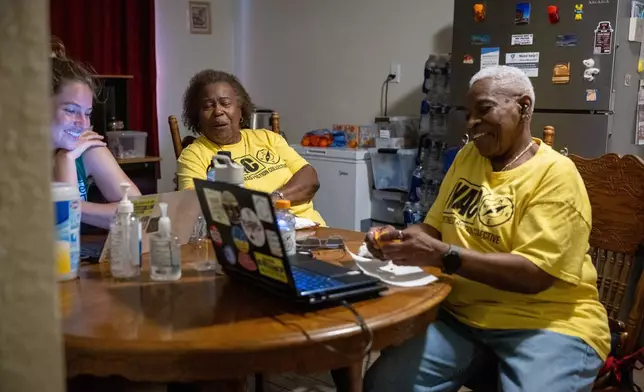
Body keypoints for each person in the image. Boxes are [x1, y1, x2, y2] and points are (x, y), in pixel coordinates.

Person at [364, 66, 610, 392]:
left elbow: (535, 274)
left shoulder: (556, 174)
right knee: (384, 385)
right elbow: (435, 226)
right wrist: (402, 239)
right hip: (464, 317)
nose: (471, 123)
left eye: (484, 110)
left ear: (523, 107)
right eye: (468, 114)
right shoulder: (469, 156)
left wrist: (444, 256)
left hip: (548, 323)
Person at [176, 69, 325, 225]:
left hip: (312, 228)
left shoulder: (267, 138)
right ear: (197, 117)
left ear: (240, 109)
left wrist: (272, 200)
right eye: (208, 106)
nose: (218, 111)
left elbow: (310, 179)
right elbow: (194, 208)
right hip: (255, 237)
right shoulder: (194, 155)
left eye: (225, 103)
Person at [51, 52, 140, 229]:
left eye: (88, 114)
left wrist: (72, 205)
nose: (83, 123)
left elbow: (138, 211)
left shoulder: (85, 148)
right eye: (70, 110)